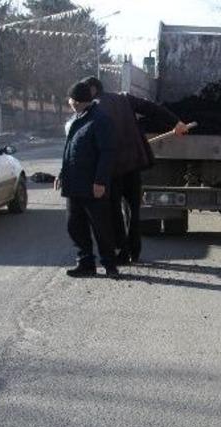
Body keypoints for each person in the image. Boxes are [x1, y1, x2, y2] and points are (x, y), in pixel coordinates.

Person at [82, 76, 190, 265]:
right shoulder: (124, 98)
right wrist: (176, 122)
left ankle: (123, 252)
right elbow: (152, 108)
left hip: (112, 168)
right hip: (133, 164)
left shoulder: (93, 109)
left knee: (115, 211)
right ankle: (135, 250)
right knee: (133, 210)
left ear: (91, 90)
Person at [55, 82, 119, 279]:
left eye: (72, 100)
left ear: (79, 101)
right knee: (75, 225)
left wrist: (100, 181)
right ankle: (85, 263)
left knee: (101, 227)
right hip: (74, 184)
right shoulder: (77, 118)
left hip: (93, 185)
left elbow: (107, 153)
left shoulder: (100, 120)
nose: (70, 103)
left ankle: (110, 265)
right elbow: (69, 150)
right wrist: (61, 174)